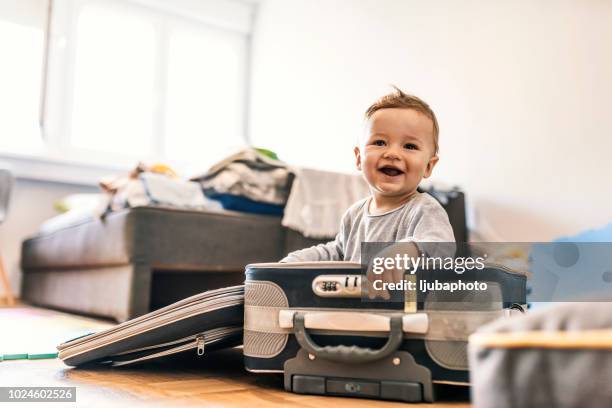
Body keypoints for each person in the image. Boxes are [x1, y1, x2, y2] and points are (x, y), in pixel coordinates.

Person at [281, 87, 455, 271]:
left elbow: (442, 247)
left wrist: (408, 250)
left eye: (409, 146)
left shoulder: (424, 209)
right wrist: (296, 261)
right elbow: (337, 252)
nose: (392, 153)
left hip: (406, 299)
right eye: (380, 142)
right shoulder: (354, 214)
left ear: (429, 166)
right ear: (358, 157)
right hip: (356, 298)